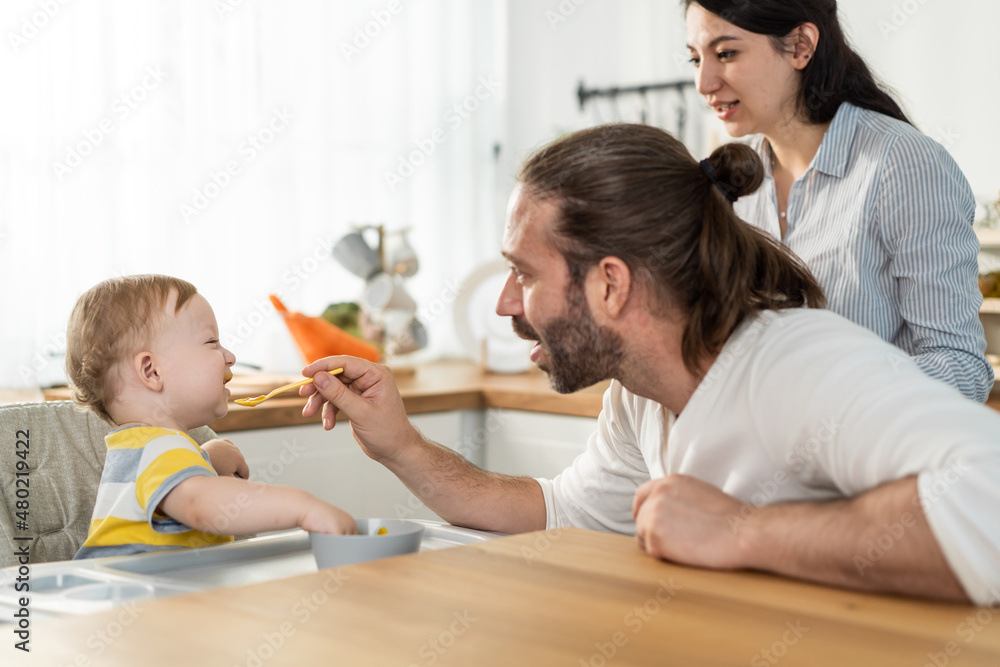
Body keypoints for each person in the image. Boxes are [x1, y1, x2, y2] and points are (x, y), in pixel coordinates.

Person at [298, 124, 1000, 605]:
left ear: (610, 283)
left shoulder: (798, 362)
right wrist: (402, 446)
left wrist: (737, 531)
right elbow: (562, 512)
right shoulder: (643, 392)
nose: (506, 302)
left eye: (523, 273)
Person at [685, 0, 993, 402]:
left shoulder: (901, 164)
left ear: (800, 46)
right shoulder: (736, 184)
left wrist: (829, 396)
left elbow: (961, 368)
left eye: (726, 53)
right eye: (694, 59)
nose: (704, 83)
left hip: (874, 460)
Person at [66, 274, 356, 559]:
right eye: (211, 342)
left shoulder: (143, 450)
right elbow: (198, 504)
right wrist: (304, 507)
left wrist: (204, 459)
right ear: (151, 372)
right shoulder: (156, 450)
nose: (229, 356)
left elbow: (177, 484)